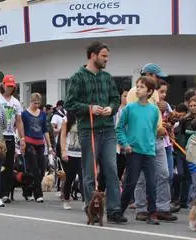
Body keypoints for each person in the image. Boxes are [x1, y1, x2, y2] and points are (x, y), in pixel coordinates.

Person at [65, 41, 125, 223]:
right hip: (88, 130)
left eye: (107, 56)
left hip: (107, 129)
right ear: (93, 55)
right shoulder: (78, 77)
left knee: (112, 170)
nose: (107, 59)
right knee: (90, 172)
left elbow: (115, 99)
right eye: (104, 56)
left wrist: (111, 108)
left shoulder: (107, 77)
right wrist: (89, 108)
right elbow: (70, 103)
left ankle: (114, 210)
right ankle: (90, 207)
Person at [126, 64, 177, 222]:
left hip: (158, 139)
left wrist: (163, 125)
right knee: (141, 176)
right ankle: (141, 208)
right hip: (141, 140)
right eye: (156, 76)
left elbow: (155, 116)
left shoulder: (154, 93)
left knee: (164, 173)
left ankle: (162, 207)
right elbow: (136, 117)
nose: (158, 80)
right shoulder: (134, 93)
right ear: (148, 74)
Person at [118, 77, 161, 225]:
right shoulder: (129, 108)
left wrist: (151, 143)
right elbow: (119, 128)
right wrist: (125, 144)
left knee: (151, 183)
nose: (137, 89)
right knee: (131, 183)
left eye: (141, 87)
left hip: (149, 151)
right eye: (137, 86)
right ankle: (119, 211)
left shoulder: (154, 110)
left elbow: (153, 129)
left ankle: (153, 213)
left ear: (149, 91)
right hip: (133, 151)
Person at [0, 75, 25, 203]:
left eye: (12, 86)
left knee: (9, 165)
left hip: (10, 135)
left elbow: (19, 121)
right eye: (8, 86)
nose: (10, 88)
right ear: (3, 85)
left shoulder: (16, 102)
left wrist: (22, 138)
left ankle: (5, 193)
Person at [21, 93, 53, 202]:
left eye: (39, 103)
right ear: (31, 102)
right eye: (35, 103)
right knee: (34, 169)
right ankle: (38, 194)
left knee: (42, 169)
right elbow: (21, 129)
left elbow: (45, 130)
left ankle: (27, 190)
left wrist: (49, 145)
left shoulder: (43, 114)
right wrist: (22, 142)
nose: (37, 105)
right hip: (29, 142)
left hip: (40, 143)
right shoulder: (24, 114)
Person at [59, 113, 83, 210]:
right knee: (69, 178)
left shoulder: (84, 118)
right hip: (70, 152)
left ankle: (85, 201)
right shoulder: (66, 119)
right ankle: (66, 199)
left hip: (82, 153)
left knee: (83, 178)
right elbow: (63, 136)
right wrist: (63, 151)